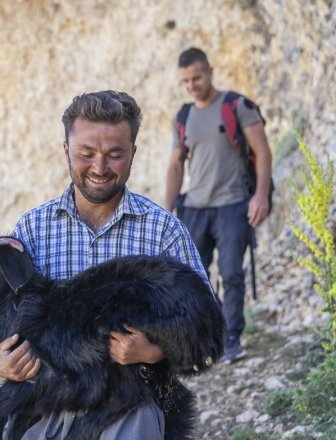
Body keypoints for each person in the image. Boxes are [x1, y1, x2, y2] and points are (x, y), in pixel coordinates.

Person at [0, 90, 212, 439]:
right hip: (48, 408)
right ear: (66, 150)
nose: (99, 168)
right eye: (86, 153)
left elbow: (206, 333)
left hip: (131, 407)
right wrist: (0, 361)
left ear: (133, 153)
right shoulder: (31, 231)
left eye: (114, 155)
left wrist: (154, 351)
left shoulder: (164, 233)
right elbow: (1, 326)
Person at [164, 47, 273, 363]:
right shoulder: (183, 117)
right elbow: (175, 166)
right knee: (194, 277)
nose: (192, 85)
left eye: (197, 77)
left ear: (210, 71)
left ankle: (231, 339)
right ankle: (208, 336)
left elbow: (263, 151)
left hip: (232, 204)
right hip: (195, 206)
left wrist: (261, 196)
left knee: (231, 272)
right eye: (185, 80)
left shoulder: (236, 106)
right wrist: (166, 209)